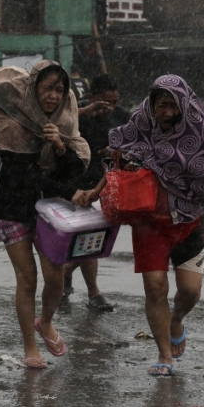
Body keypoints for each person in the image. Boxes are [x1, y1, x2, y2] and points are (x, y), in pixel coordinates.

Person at [76, 74, 204, 377]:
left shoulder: (202, 134)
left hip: (189, 222)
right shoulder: (141, 126)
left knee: (190, 292)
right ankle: (163, 355)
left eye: (174, 106)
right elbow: (119, 163)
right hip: (149, 225)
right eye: (162, 105)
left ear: (184, 106)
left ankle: (176, 320)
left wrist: (188, 189)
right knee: (155, 288)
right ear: (152, 105)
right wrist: (95, 192)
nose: (168, 112)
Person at [0, 60, 90, 370]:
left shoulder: (62, 122)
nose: (52, 95)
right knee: (27, 280)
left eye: (59, 90)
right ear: (33, 89)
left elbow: (76, 170)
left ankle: (45, 321)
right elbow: (26, 177)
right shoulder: (10, 121)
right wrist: (66, 191)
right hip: (13, 207)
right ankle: (30, 348)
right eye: (47, 88)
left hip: (49, 212)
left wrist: (59, 146)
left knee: (55, 277)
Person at [63, 74, 131, 311]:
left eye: (113, 101)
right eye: (105, 101)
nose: (109, 107)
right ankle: (94, 292)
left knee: (98, 239)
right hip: (82, 185)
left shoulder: (123, 117)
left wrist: (116, 153)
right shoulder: (77, 117)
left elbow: (134, 148)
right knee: (89, 238)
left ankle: (65, 271)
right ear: (91, 97)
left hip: (110, 185)